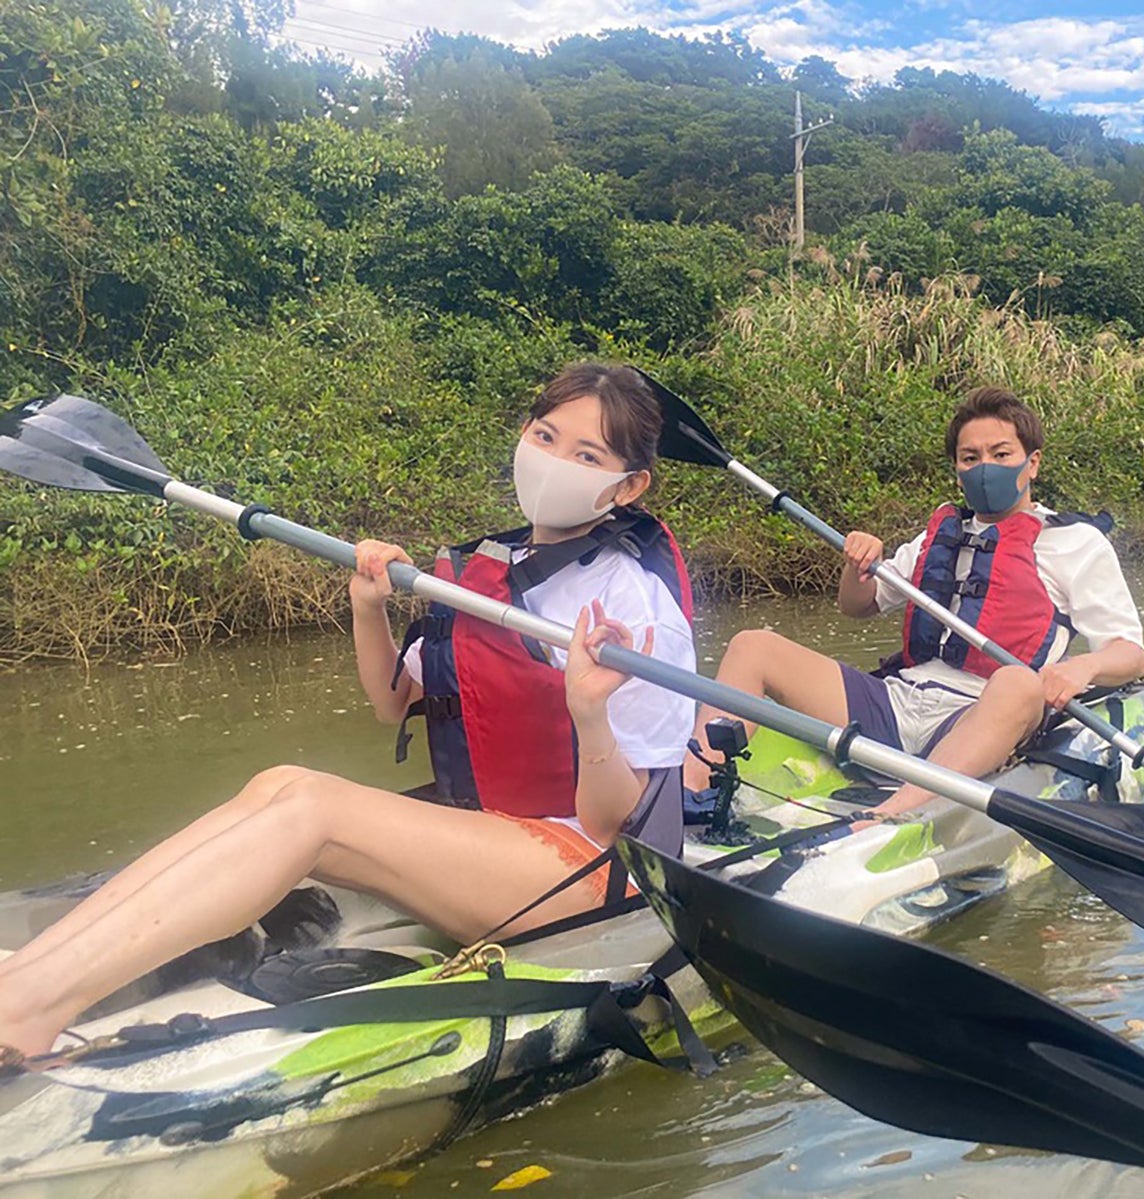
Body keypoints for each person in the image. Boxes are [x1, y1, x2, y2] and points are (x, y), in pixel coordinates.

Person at [0, 362, 695, 1064]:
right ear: (523, 433)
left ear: (628, 485)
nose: (553, 462)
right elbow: (392, 699)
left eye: (586, 455)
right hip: (500, 830)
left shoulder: (635, 605)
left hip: (593, 867)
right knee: (280, 782)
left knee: (316, 810)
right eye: (545, 436)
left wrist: (590, 712)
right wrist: (369, 608)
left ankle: (28, 1010)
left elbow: (617, 823)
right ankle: (26, 975)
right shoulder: (496, 565)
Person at [682, 385, 1144, 821]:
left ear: (1033, 463)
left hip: (982, 714)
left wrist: (1081, 669)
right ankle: (689, 795)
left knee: (1019, 684)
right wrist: (857, 564)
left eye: (1001, 454)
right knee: (752, 646)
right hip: (899, 700)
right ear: (958, 468)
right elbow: (857, 607)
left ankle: (894, 813)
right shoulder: (937, 536)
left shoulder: (1074, 542)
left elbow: (1130, 655)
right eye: (971, 457)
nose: (985, 467)